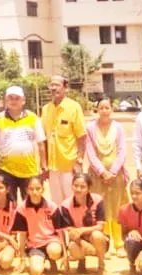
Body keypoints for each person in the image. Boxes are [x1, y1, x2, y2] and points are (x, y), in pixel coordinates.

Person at [85, 99, 128, 257]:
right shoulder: (90, 127)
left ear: (112, 109)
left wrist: (113, 171)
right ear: (97, 110)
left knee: (116, 207)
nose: (104, 110)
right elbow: (90, 152)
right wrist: (102, 172)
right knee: (100, 207)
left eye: (107, 107)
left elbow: (122, 150)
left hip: (116, 175)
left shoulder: (118, 127)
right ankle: (104, 242)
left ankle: (119, 243)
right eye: (101, 108)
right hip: (97, 176)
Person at [0, 86, 47, 202]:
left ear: (23, 100)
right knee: (9, 205)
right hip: (6, 170)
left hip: (29, 170)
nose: (13, 101)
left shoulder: (33, 118)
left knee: (30, 203)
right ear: (6, 100)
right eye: (10, 98)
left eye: (17, 98)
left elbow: (41, 144)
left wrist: (43, 166)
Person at [42, 75, 86, 204]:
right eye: (51, 85)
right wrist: (44, 165)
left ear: (65, 88)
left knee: (72, 202)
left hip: (69, 166)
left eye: (57, 85)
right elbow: (44, 140)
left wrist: (79, 160)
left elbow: (81, 137)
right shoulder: (46, 110)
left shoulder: (74, 107)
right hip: (52, 168)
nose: (53, 88)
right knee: (56, 203)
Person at [12, 177, 65, 275]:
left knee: (54, 251)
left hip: (51, 242)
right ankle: (38, 259)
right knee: (36, 272)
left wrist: (65, 256)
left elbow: (60, 232)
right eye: (31, 189)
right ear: (27, 190)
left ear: (43, 190)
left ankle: (52, 260)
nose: (35, 192)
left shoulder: (52, 206)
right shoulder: (22, 208)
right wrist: (22, 259)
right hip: (35, 245)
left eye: (38, 188)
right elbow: (22, 235)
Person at [57, 173, 109, 275]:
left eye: (82, 187)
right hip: (77, 238)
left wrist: (82, 230)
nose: (78, 189)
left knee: (97, 235)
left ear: (89, 188)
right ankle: (82, 261)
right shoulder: (65, 205)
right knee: (72, 245)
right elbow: (69, 230)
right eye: (75, 185)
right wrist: (65, 256)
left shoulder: (97, 200)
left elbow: (100, 226)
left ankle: (101, 263)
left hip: (95, 237)